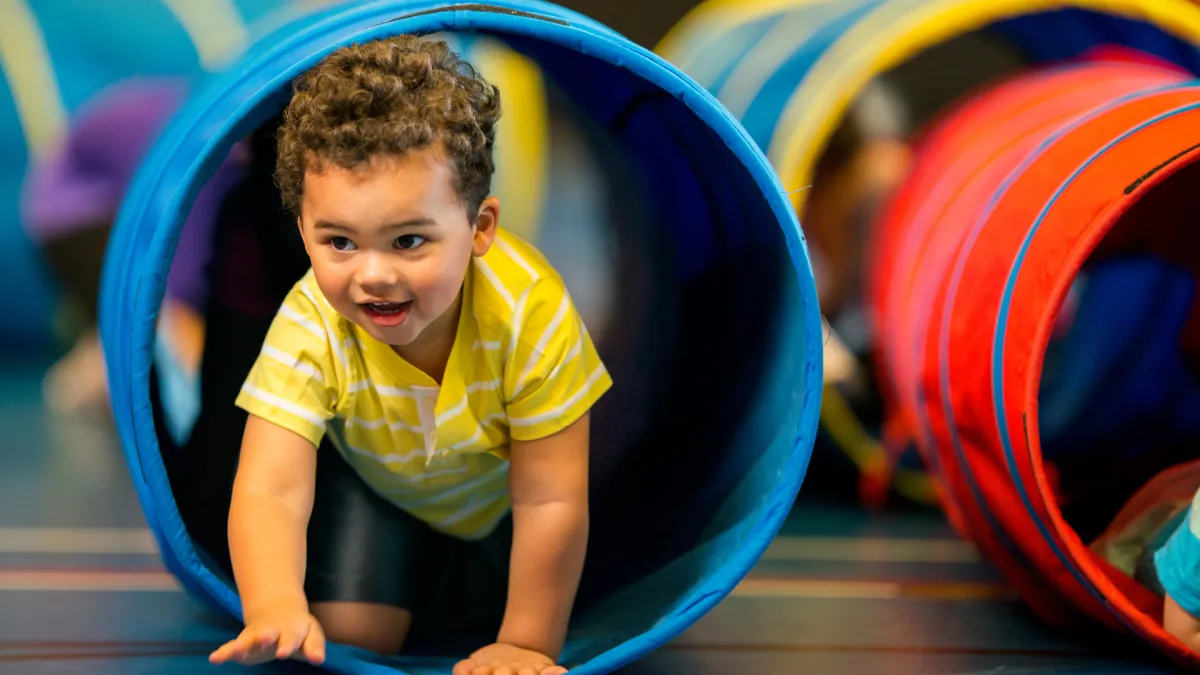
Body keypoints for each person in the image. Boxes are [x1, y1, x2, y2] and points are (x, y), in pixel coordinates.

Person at [205, 35, 611, 675]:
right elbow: (271, 488)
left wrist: (527, 643)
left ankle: (453, 584)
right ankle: (416, 579)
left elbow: (551, 500)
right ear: (303, 229)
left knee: (545, 603)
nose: (373, 275)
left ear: (479, 229)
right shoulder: (312, 321)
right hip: (380, 487)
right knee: (352, 639)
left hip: (500, 499)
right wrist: (275, 602)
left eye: (409, 240)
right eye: (339, 241)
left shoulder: (528, 312)